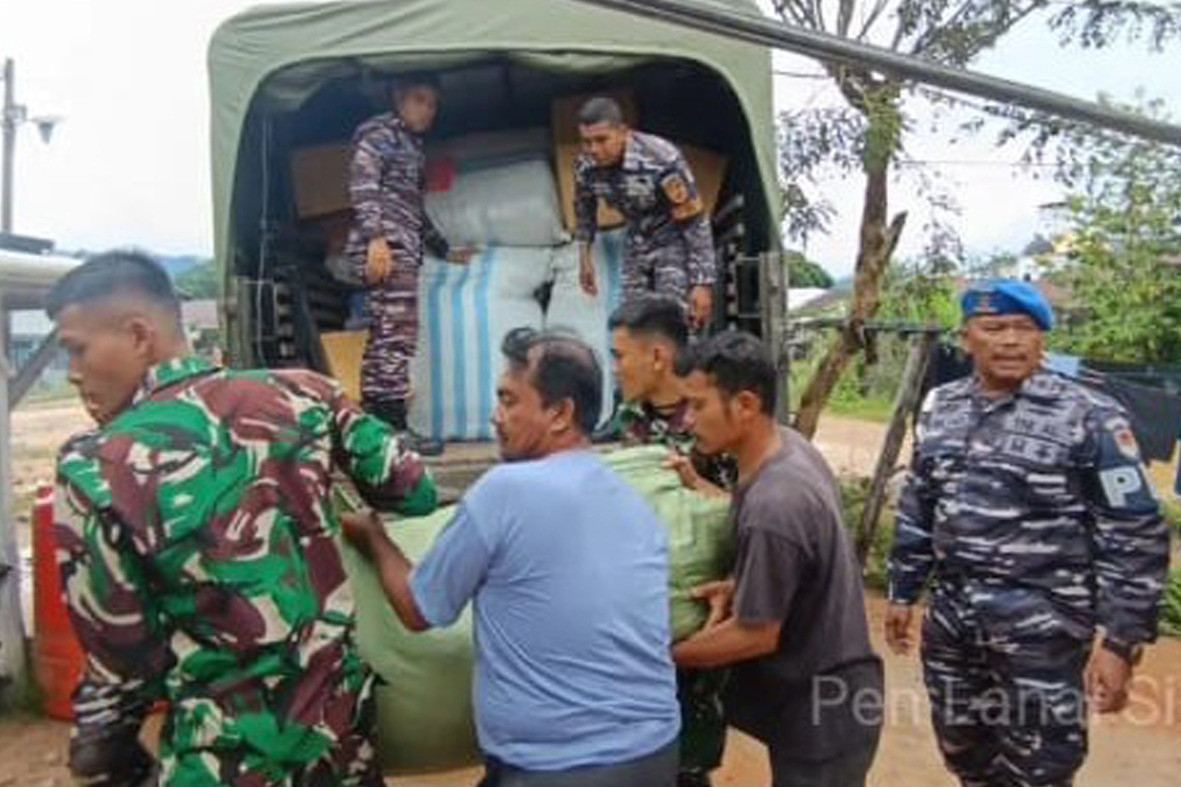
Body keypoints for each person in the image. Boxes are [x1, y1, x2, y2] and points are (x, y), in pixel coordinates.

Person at [48, 251, 437, 786]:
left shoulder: (94, 467)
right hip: (342, 749)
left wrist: (103, 757)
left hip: (224, 762)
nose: (72, 375)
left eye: (76, 350)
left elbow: (122, 663)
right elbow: (414, 491)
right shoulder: (306, 394)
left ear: (138, 335)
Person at [342, 328, 681, 786]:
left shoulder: (505, 492)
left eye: (509, 400)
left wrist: (374, 539)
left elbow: (419, 609)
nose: (495, 416)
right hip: (656, 755)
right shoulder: (632, 501)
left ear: (560, 413)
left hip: (556, 768)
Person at [887, 280, 1169, 787]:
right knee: (964, 752)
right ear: (966, 337)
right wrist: (903, 590)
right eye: (994, 328)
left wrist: (1121, 642)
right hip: (954, 623)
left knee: (1041, 768)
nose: (1010, 340)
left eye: (1024, 328)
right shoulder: (942, 407)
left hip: (1044, 632)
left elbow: (1134, 531)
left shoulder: (1090, 415)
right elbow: (920, 503)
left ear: (1043, 338)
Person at [673, 331, 883, 787]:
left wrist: (663, 656)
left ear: (746, 405)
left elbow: (755, 634)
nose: (686, 420)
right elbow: (805, 558)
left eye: (698, 405)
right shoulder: (786, 447)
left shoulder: (776, 504)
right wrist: (739, 583)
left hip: (825, 717)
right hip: (826, 697)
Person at [608, 295, 730, 787]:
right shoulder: (629, 419)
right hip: (636, 620)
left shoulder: (712, 419)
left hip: (694, 628)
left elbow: (753, 514)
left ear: (657, 357)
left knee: (684, 766)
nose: (614, 368)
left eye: (619, 356)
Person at [345, 72, 472, 456]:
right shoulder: (380, 134)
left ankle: (375, 428)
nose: (427, 111)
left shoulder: (412, 145)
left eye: (432, 104)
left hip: (402, 246)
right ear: (399, 98)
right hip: (386, 248)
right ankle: (394, 431)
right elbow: (362, 185)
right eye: (419, 100)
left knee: (386, 334)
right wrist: (377, 239)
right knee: (395, 336)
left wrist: (444, 249)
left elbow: (414, 208)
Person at [574, 96, 717, 332]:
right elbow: (584, 209)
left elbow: (694, 220)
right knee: (632, 324)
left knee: (674, 323)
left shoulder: (660, 158)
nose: (594, 150)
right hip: (635, 239)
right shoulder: (585, 167)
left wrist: (703, 283)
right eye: (587, 142)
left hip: (672, 237)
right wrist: (584, 257)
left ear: (623, 132)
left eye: (601, 140)